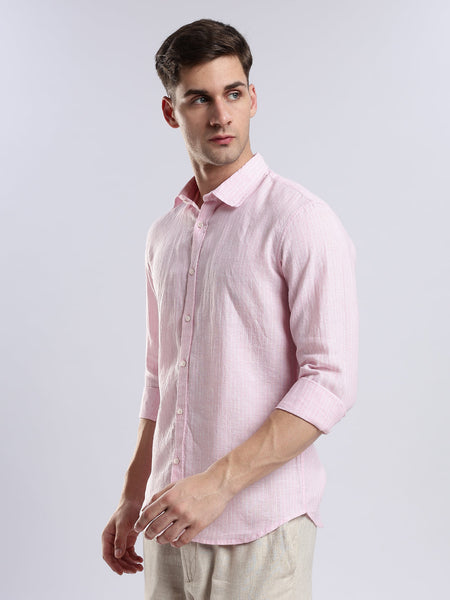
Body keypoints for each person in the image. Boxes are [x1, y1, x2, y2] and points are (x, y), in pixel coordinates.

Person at [102, 18, 359, 600]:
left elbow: (330, 382)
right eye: (199, 98)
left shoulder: (300, 221)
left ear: (253, 99)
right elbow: (159, 377)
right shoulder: (165, 234)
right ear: (171, 112)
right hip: (169, 524)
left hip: (262, 529)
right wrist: (133, 492)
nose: (221, 115)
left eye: (233, 93)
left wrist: (217, 485)